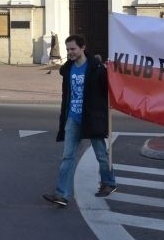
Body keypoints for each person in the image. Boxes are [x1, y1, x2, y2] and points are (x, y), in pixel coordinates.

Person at [43, 34, 116, 208]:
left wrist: (111, 72)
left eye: (73, 49)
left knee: (101, 154)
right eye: (68, 49)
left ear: (83, 48)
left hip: (92, 118)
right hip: (73, 118)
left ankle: (109, 182)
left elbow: (107, 90)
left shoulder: (96, 68)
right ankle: (62, 194)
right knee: (67, 156)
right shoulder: (68, 69)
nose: (70, 52)